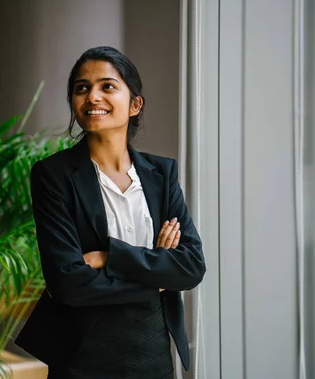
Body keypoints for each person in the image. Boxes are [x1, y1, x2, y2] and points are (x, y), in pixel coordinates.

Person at [15, 46, 206, 379]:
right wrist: (156, 273)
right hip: (82, 357)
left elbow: (190, 268)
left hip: (154, 352)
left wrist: (108, 256)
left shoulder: (162, 174)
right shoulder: (53, 175)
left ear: (135, 105)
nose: (92, 96)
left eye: (107, 86)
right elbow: (68, 284)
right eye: (81, 88)